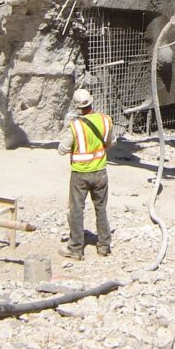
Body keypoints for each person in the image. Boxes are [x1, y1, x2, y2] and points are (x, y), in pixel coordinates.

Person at [57, 89, 117, 260]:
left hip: (80, 174)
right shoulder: (106, 120)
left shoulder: (75, 126)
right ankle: (104, 246)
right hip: (100, 172)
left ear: (76, 107)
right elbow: (112, 142)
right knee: (101, 209)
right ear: (91, 102)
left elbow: (62, 150)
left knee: (76, 210)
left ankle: (76, 248)